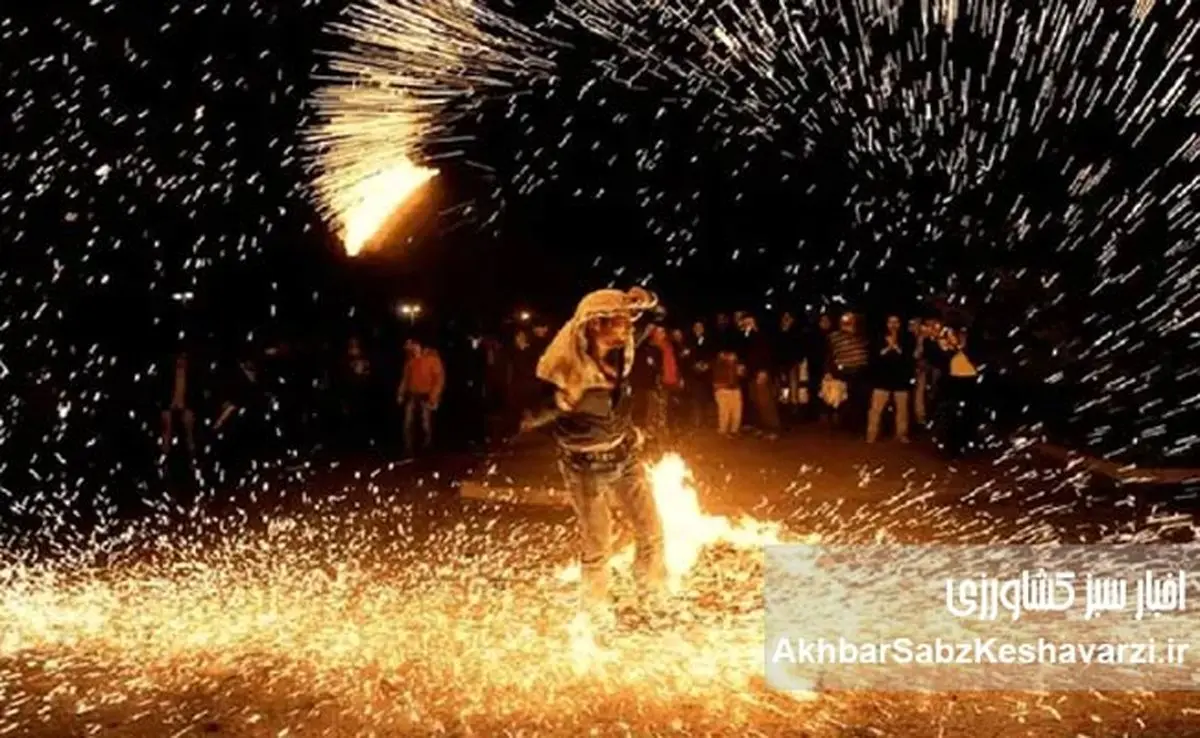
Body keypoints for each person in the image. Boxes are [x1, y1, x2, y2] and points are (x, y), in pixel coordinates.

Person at [520, 287, 668, 632]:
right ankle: (595, 617)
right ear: (595, 325)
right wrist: (560, 402)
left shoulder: (620, 351)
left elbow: (658, 317)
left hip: (625, 455)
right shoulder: (562, 366)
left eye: (627, 321)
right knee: (599, 545)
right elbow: (525, 417)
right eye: (619, 321)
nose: (628, 327)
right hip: (585, 466)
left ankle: (652, 598)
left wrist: (645, 299)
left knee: (652, 533)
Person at [866, 315, 915, 443]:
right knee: (876, 409)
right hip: (882, 379)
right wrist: (889, 347)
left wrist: (895, 346)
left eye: (896, 322)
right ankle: (872, 433)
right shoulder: (878, 338)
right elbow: (876, 356)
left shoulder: (907, 338)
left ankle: (901, 434)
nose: (893, 325)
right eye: (890, 322)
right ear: (886, 324)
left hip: (901, 379)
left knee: (902, 410)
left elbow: (907, 357)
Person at [398, 338, 445, 457]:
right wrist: (401, 393)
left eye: (409, 345)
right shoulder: (410, 361)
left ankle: (427, 448)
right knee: (408, 423)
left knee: (426, 423)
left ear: (416, 344)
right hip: (413, 395)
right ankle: (408, 449)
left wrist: (434, 396)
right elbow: (405, 378)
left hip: (426, 395)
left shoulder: (432, 359)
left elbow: (439, 379)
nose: (406, 348)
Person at [160, 349, 198, 466]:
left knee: (188, 420)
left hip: (185, 407)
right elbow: (163, 393)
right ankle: (165, 452)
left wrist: (188, 406)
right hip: (171, 406)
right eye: (179, 359)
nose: (181, 362)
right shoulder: (169, 376)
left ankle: (192, 452)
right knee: (166, 421)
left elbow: (194, 395)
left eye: (183, 359)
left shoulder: (191, 377)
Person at [712, 348, 743, 435]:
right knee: (724, 412)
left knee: (736, 411)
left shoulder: (736, 365)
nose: (731, 357)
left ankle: (734, 431)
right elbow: (716, 378)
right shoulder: (718, 364)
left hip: (735, 389)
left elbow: (741, 375)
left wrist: (740, 371)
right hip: (722, 390)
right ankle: (723, 430)